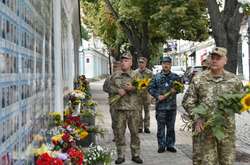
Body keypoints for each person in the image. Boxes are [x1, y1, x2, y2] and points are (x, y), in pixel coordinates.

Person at [182, 47, 243, 165]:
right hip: (204, 131)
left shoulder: (234, 80)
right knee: (204, 162)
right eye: (212, 58)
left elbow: (241, 101)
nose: (214, 61)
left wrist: (238, 105)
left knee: (227, 161)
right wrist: (197, 117)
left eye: (218, 58)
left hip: (226, 131)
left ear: (225, 60)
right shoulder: (199, 79)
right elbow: (188, 101)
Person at [109, 52, 143, 164]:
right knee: (119, 133)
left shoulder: (137, 75)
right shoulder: (115, 75)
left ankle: (136, 154)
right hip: (119, 109)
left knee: (135, 133)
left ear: (131, 62)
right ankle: (121, 155)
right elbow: (106, 87)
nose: (124, 63)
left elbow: (143, 89)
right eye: (122, 60)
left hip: (133, 109)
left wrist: (132, 88)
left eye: (126, 60)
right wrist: (116, 90)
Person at [148, 56, 181, 153]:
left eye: (168, 63)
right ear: (162, 64)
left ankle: (170, 145)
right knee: (160, 127)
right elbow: (150, 88)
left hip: (172, 107)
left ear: (170, 65)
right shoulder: (156, 77)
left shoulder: (176, 77)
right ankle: (161, 145)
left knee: (171, 127)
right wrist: (157, 96)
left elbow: (180, 88)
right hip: (161, 107)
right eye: (164, 63)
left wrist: (176, 90)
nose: (166, 65)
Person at [103, 61, 121, 142]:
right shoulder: (109, 78)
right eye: (114, 67)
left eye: (117, 67)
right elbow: (105, 88)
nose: (115, 68)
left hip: (123, 103)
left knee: (121, 121)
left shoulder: (124, 77)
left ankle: (121, 135)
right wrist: (116, 90)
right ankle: (116, 135)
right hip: (113, 103)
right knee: (114, 120)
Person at [134, 57, 153, 133]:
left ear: (145, 63)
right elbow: (133, 82)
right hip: (138, 94)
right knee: (139, 111)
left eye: (142, 62)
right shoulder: (135, 72)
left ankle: (147, 127)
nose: (141, 64)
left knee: (147, 111)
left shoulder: (149, 72)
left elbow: (152, 83)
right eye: (139, 62)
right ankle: (139, 127)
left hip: (146, 94)